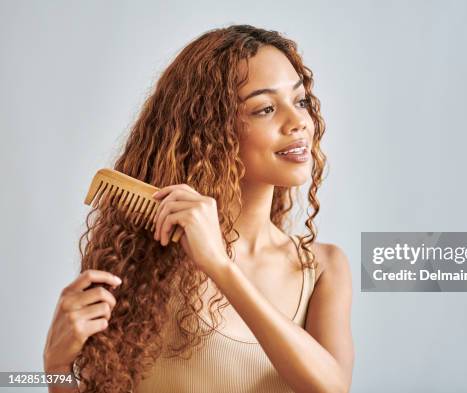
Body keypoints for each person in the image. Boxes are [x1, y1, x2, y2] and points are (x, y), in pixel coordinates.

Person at [43, 24, 354, 393]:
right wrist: (56, 368)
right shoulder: (145, 270)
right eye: (265, 108)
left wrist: (220, 266)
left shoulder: (322, 269)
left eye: (300, 101)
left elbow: (332, 388)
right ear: (210, 131)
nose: (298, 121)